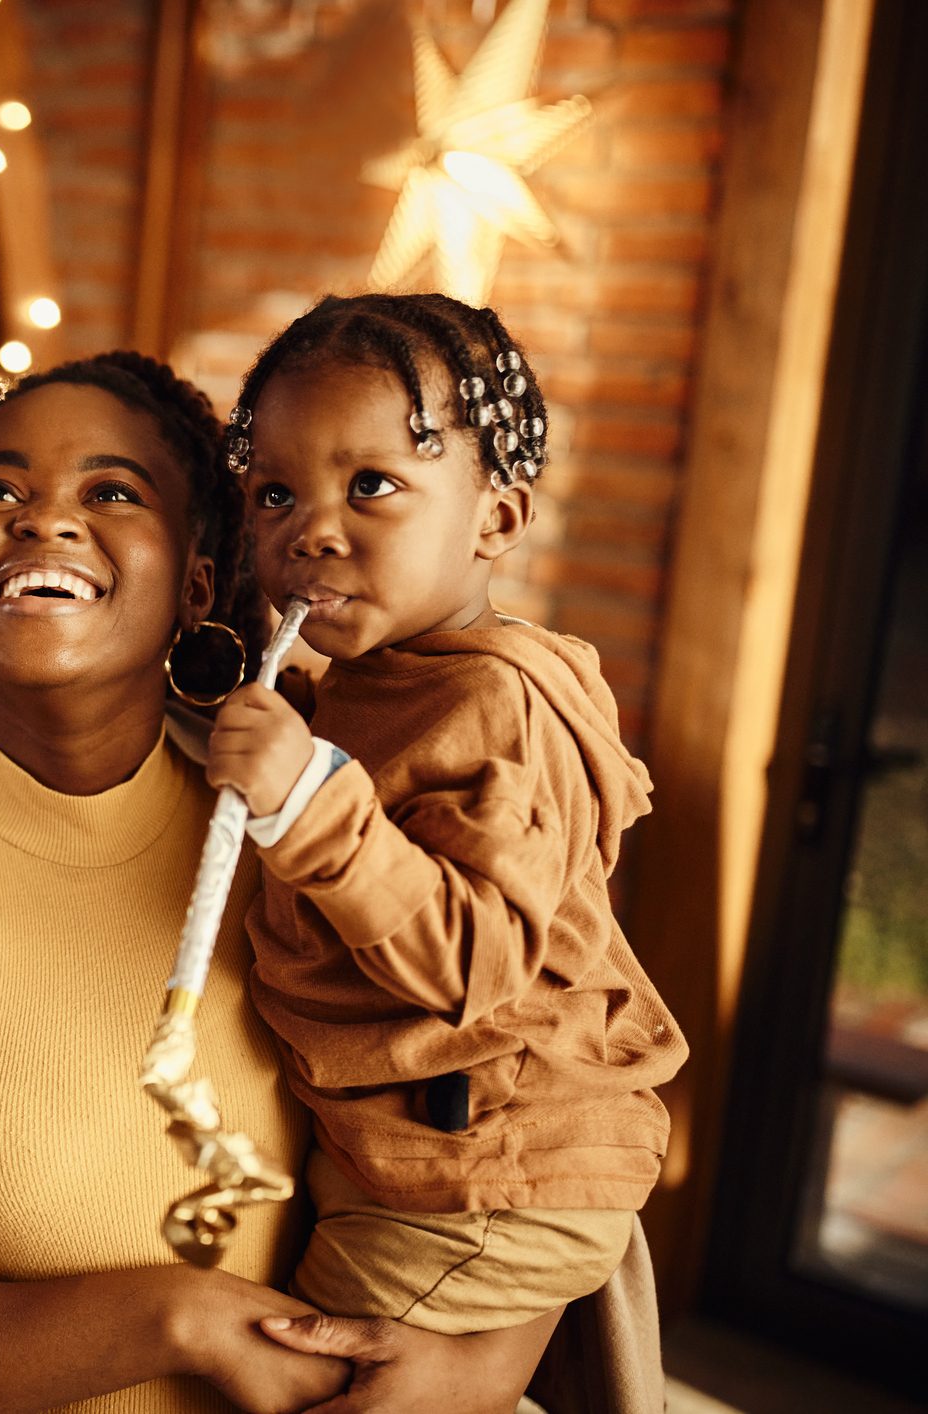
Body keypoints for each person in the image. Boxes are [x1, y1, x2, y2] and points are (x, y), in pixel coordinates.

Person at [0, 351, 667, 1412]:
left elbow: (547, 1069)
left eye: (110, 492)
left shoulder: (332, 808)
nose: (43, 519)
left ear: (196, 581)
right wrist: (175, 1318)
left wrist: (485, 1358)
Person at [204, 292, 688, 1336]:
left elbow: (475, 961)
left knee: (301, 1380)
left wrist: (306, 800)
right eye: (275, 494)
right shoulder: (379, 679)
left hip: (478, 1174)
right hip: (422, 1160)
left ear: (495, 519)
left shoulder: (489, 702)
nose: (309, 533)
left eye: (369, 485)